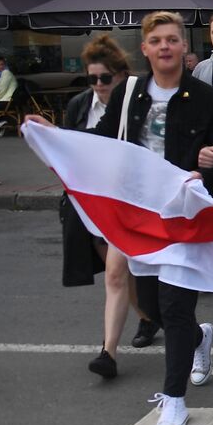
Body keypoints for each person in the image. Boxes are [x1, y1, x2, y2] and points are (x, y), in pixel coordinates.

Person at [94, 11, 213, 425]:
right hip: (138, 216)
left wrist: (207, 170)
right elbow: (103, 139)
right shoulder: (129, 94)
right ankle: (198, 337)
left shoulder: (208, 99)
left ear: (184, 47)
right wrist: (56, 138)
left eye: (173, 40)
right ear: (145, 48)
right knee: (153, 308)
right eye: (157, 41)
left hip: (181, 217)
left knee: (175, 306)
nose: (165, 47)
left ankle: (173, 400)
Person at [61, 36, 145, 379]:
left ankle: (108, 351)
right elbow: (70, 148)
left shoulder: (137, 101)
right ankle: (148, 318)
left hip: (132, 200)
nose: (98, 86)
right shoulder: (81, 105)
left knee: (116, 273)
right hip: (95, 202)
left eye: (104, 79)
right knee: (118, 271)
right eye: (91, 79)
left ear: (121, 76)